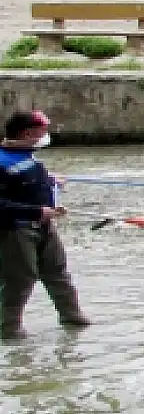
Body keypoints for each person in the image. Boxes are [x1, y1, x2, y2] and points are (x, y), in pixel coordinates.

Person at [0, 110, 90, 340]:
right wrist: (37, 210)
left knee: (58, 273)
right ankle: (8, 329)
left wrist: (51, 182)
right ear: (28, 133)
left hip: (45, 227)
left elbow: (29, 184)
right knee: (20, 278)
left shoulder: (30, 158)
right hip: (16, 229)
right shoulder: (3, 161)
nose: (47, 135)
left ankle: (73, 318)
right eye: (43, 131)